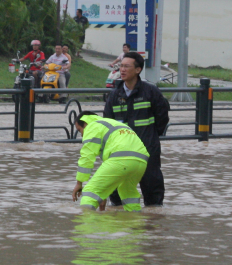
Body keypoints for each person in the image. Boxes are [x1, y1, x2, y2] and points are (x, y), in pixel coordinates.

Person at [103, 52, 170, 206]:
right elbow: (108, 123)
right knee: (117, 191)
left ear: (138, 70)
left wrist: (151, 136)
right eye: (121, 66)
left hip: (147, 147)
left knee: (152, 186)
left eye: (127, 66)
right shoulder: (114, 96)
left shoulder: (151, 92)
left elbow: (162, 118)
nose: (122, 70)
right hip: (121, 150)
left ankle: (152, 222)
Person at [71, 112, 149, 212]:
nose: (81, 134)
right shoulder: (112, 123)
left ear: (85, 123)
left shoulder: (92, 126)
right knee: (128, 194)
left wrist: (79, 182)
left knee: (90, 192)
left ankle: (86, 225)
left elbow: (87, 157)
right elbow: (107, 177)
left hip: (122, 158)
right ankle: (135, 222)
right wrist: (102, 202)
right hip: (141, 161)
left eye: (79, 130)